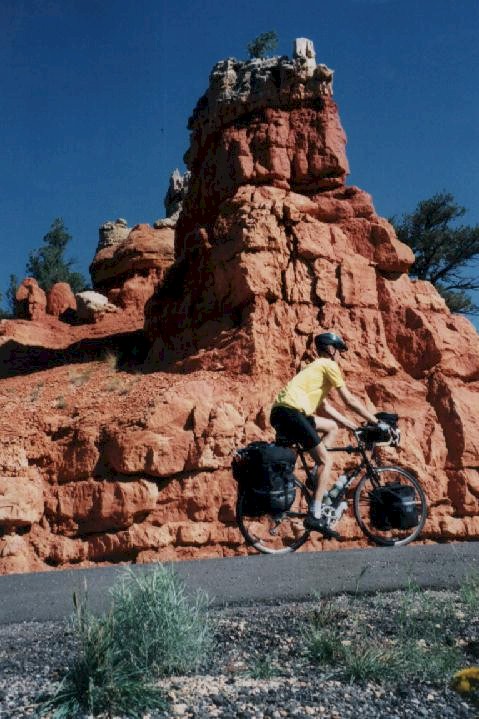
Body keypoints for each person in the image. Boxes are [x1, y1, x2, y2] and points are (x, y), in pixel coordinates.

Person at [270, 332, 380, 538]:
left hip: (283, 413)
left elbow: (326, 407)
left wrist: (351, 425)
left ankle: (314, 476)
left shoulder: (314, 368)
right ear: (331, 349)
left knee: (331, 427)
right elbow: (349, 400)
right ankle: (315, 513)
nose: (339, 355)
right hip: (291, 413)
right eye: (338, 351)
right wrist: (376, 422)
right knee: (326, 461)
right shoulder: (329, 365)